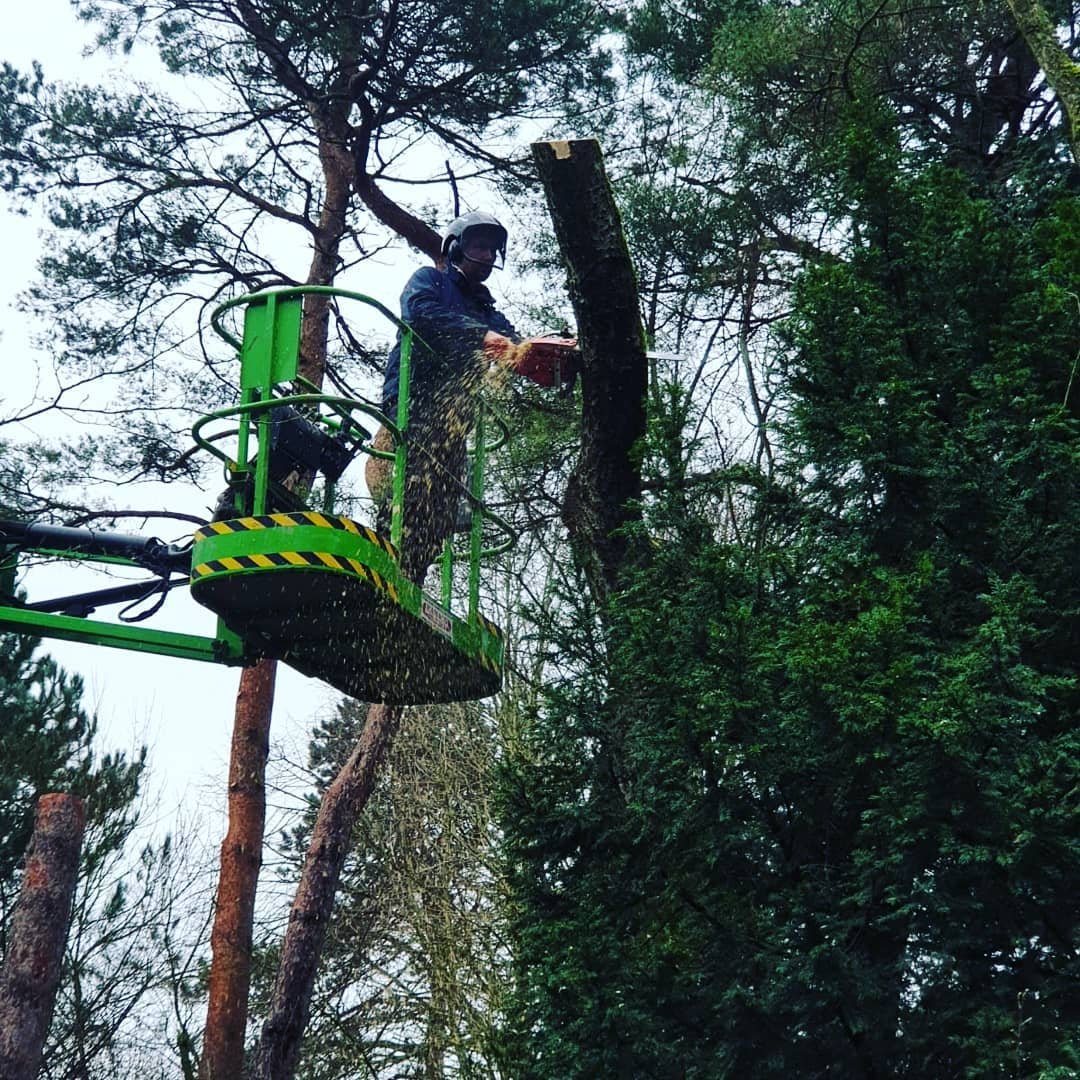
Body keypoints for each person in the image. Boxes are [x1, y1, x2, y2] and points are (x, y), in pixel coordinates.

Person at [366, 211, 575, 580]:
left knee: (443, 507)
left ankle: (410, 577)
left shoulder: (486, 309)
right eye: (480, 247)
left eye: (493, 250)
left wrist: (551, 353)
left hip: (454, 416)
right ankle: (384, 567)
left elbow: (516, 347)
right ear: (457, 248)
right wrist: (480, 337)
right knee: (413, 490)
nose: (488, 256)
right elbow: (420, 314)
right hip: (415, 400)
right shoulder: (429, 281)